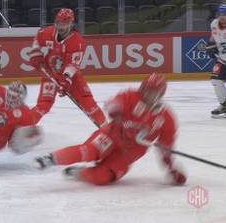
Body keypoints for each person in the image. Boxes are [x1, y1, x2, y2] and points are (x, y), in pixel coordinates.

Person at [35, 73, 187, 186]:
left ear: (160, 94)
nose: (147, 93)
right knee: (90, 151)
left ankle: (78, 172)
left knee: (103, 177)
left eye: (153, 91)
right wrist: (116, 112)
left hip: (129, 153)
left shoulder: (166, 119)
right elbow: (113, 104)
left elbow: (165, 147)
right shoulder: (131, 95)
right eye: (146, 88)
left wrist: (171, 169)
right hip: (112, 135)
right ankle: (51, 159)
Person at [28, 8, 105, 126]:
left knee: (88, 103)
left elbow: (73, 64)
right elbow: (37, 38)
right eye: (58, 23)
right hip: (50, 73)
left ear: (71, 24)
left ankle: (106, 129)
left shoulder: (77, 41)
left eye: (64, 24)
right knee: (44, 104)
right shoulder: (48, 32)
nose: (60, 26)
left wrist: (66, 79)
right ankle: (24, 126)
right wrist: (35, 53)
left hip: (72, 77)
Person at [207, 3, 226, 118]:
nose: (222, 16)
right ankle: (224, 105)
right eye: (220, 14)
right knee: (216, 81)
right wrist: (211, 46)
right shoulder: (214, 24)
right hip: (223, 59)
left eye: (225, 14)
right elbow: (213, 37)